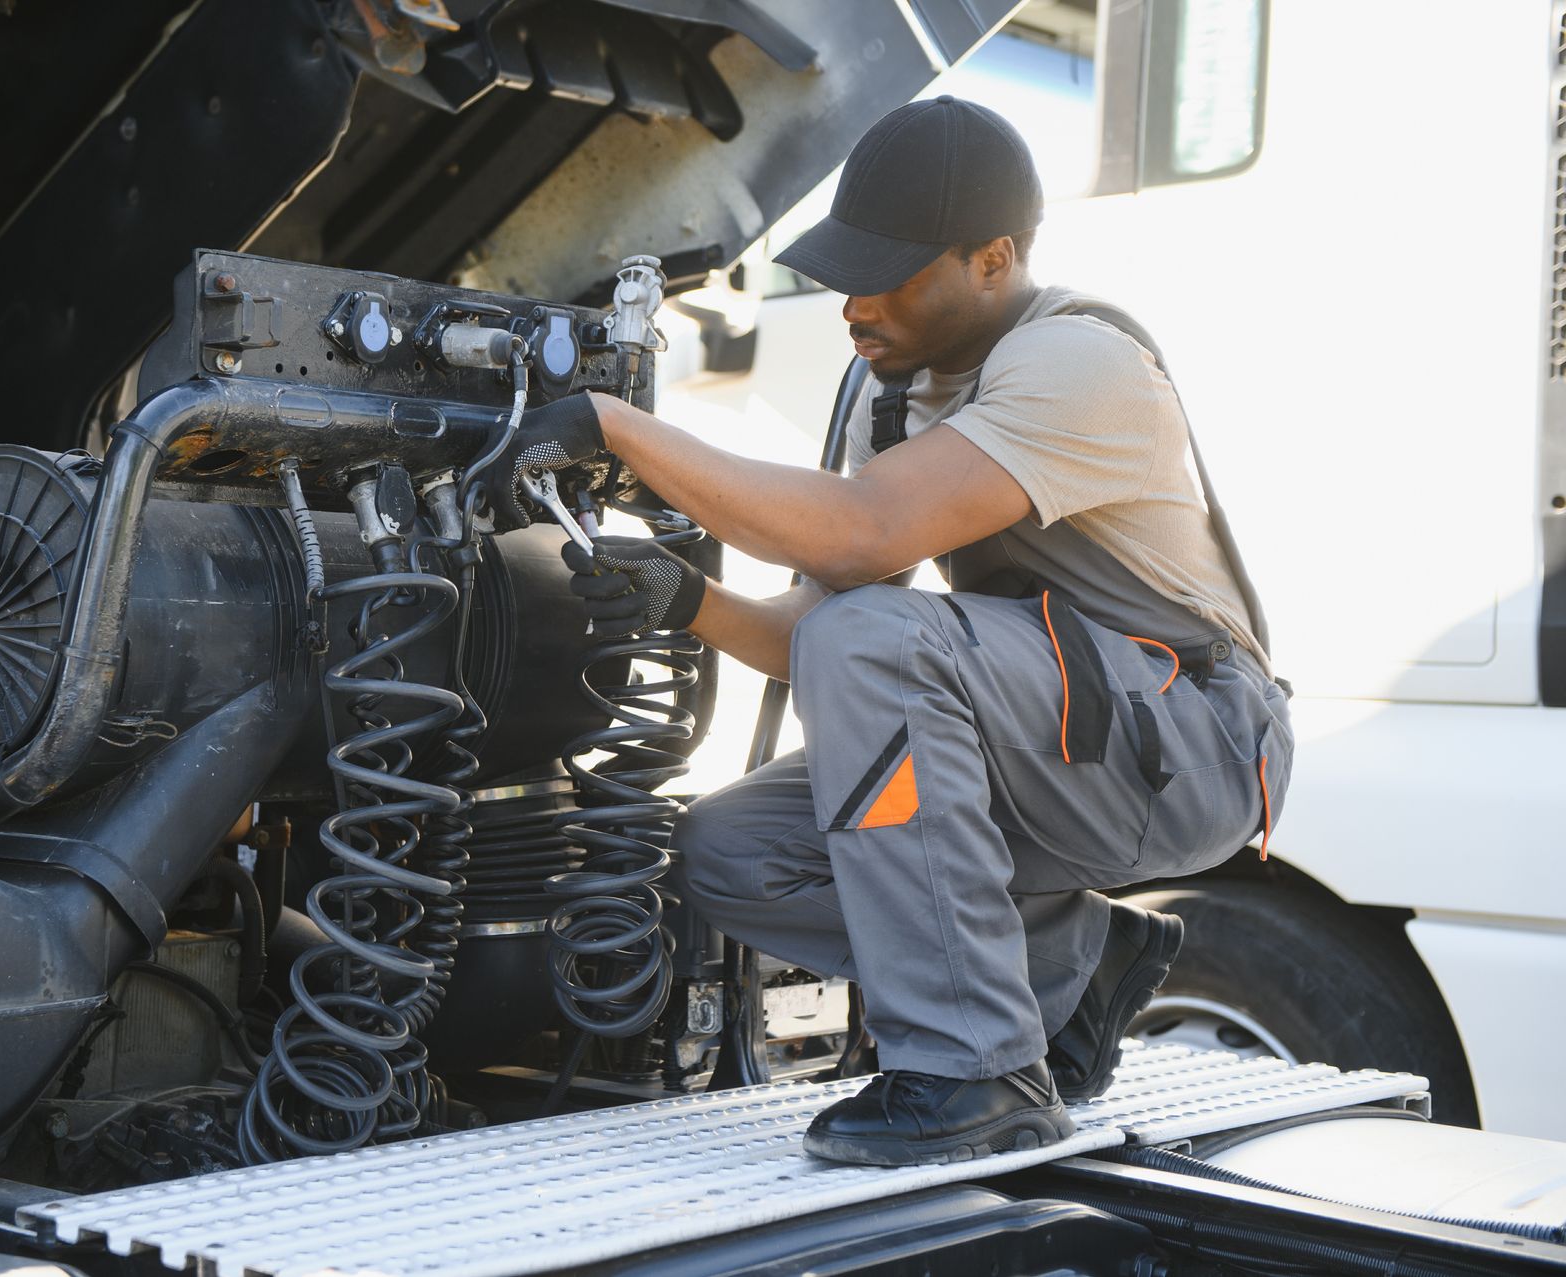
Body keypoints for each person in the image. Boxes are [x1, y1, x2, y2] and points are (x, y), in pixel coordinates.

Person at [490, 96, 1293, 1167]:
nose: (852, 305)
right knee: (732, 855)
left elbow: (865, 540)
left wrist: (618, 427)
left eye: (890, 272)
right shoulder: (901, 394)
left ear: (995, 259)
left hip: (1199, 745)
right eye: (847, 270)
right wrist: (687, 597)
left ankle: (977, 1073)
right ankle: (1073, 962)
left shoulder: (1078, 362)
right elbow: (814, 636)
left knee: (871, 637)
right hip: (1066, 742)